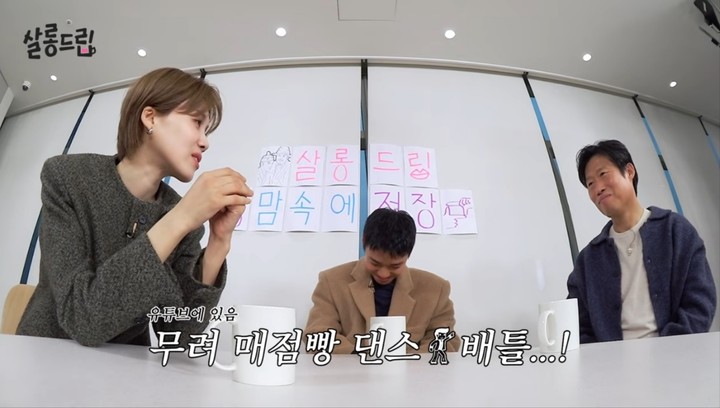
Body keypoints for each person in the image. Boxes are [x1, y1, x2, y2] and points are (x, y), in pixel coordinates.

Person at [17, 68, 254, 347]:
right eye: (196, 122)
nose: (205, 142)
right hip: (45, 354)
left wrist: (218, 243)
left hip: (125, 366)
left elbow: (178, 337)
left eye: (207, 130)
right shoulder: (68, 178)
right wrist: (180, 219)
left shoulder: (183, 216)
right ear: (150, 117)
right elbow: (83, 319)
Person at [567, 139, 716, 343]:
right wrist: (600, 358)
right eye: (590, 183)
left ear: (629, 171)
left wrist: (668, 350)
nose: (598, 188)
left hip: (674, 356)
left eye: (603, 174)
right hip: (610, 362)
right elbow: (576, 324)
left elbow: (700, 303)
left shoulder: (675, 230)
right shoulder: (588, 259)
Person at [305, 208, 461, 354]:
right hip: (350, 372)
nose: (384, 273)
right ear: (364, 242)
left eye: (395, 266)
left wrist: (407, 362)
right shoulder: (331, 281)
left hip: (412, 373)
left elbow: (447, 340)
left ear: (408, 255)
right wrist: (362, 358)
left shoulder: (435, 289)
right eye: (375, 263)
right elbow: (317, 334)